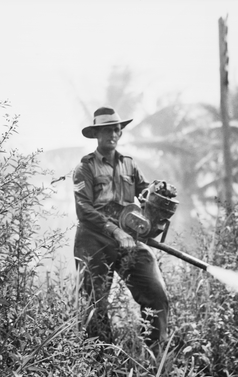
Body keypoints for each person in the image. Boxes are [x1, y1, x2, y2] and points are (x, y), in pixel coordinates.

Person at [72, 107, 171, 354]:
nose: (113, 134)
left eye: (116, 129)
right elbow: (84, 209)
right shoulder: (85, 168)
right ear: (97, 134)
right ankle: (100, 367)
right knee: (94, 307)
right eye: (107, 130)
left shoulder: (129, 165)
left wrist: (160, 192)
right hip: (93, 240)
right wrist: (115, 232)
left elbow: (145, 191)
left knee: (156, 295)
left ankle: (154, 359)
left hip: (129, 239)